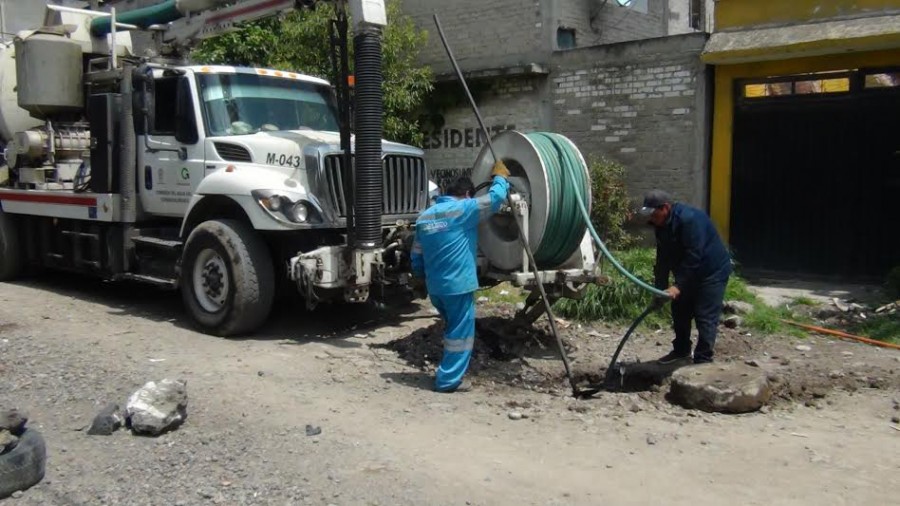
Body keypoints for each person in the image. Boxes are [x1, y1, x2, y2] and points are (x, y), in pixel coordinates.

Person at [410, 161, 511, 392]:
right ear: (466, 194)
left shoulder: (424, 217)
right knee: (460, 335)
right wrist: (500, 178)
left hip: (435, 289)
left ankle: (447, 370)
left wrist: (420, 277)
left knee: (452, 328)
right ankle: (447, 381)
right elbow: (494, 199)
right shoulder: (464, 209)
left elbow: (416, 255)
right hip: (457, 286)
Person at [641, 190, 732, 364]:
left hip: (711, 272)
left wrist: (678, 286)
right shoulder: (660, 225)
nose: (651, 218)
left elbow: (694, 255)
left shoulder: (689, 220)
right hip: (688, 272)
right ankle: (681, 351)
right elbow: (663, 258)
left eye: (653, 213)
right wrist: (659, 289)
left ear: (665, 208)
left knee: (704, 316)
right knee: (680, 312)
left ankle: (703, 361)